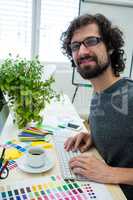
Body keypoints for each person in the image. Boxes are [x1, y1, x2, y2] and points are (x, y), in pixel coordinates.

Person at [61, 13, 133, 200]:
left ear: (109, 47)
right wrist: (93, 137)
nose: (82, 52)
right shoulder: (98, 92)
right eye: (75, 46)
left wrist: (111, 173)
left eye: (91, 41)